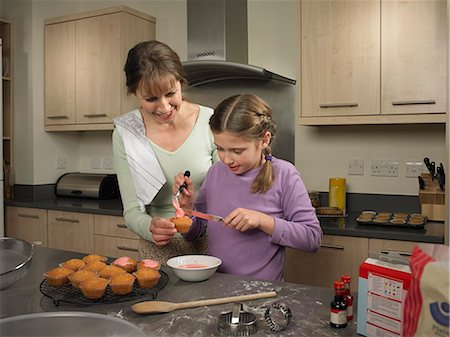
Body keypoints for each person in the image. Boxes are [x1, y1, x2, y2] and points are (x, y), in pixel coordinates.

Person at [173, 93, 322, 281]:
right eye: (220, 148)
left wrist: (262, 221)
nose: (226, 159)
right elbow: (195, 234)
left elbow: (312, 238)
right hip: (215, 287)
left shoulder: (285, 175)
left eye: (237, 150)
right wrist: (187, 211)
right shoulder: (215, 172)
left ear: (264, 140)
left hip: (263, 294)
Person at [112, 40, 218, 263]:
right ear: (134, 93)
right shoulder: (127, 134)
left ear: (181, 82)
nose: (164, 107)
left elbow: (228, 194)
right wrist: (148, 227)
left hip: (213, 243)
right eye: (150, 99)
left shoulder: (211, 121)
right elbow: (132, 211)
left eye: (171, 93)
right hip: (159, 250)